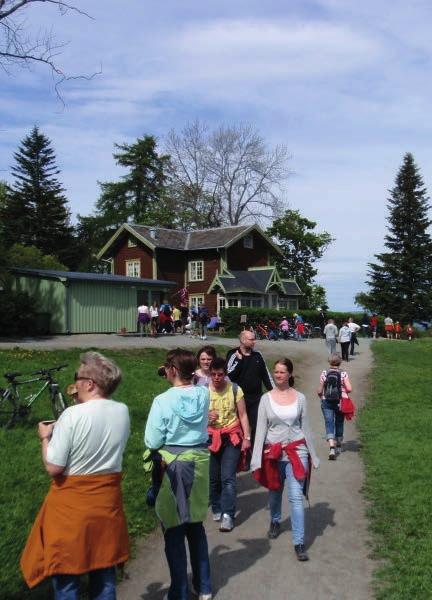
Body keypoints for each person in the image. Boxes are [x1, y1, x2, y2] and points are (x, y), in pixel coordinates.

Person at [21, 352, 130, 599]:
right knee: (104, 576)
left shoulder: (71, 415)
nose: (75, 383)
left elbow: (53, 467)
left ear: (89, 383)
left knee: (67, 576)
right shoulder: (122, 411)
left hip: (72, 509)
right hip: (106, 505)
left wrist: (45, 438)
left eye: (77, 377)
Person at [144, 349, 212, 600]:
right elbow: (198, 385)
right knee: (195, 524)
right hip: (201, 461)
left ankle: (179, 592)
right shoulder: (204, 394)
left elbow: (152, 439)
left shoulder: (163, 400)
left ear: (171, 370)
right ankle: (204, 586)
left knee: (173, 529)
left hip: (173, 464)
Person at [251, 358, 319, 561]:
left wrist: (313, 454)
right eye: (275, 372)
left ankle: (299, 542)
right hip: (273, 453)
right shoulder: (266, 399)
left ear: (290, 374)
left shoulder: (300, 398)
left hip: (297, 451)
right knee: (274, 491)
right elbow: (261, 429)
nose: (278, 375)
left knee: (296, 497)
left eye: (281, 372)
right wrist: (256, 459)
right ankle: (275, 519)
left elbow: (306, 428)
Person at [207, 357, 251, 532]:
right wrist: (205, 416)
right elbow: (194, 417)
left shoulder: (235, 390)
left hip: (231, 437)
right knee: (213, 478)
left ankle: (228, 515)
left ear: (225, 374)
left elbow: (243, 415)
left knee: (228, 478)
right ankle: (216, 506)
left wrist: (247, 438)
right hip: (210, 438)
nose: (217, 378)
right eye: (213, 374)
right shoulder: (203, 391)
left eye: (220, 374)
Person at [226, 331, 273, 447]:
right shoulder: (233, 354)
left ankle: (254, 453)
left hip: (256, 398)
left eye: (254, 339)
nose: (254, 342)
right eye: (251, 339)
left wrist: (274, 391)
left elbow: (266, 375)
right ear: (242, 340)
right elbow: (229, 375)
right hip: (238, 399)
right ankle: (240, 452)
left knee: (258, 426)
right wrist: (240, 361)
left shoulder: (258, 355)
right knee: (239, 426)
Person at [317, 353, 352, 460]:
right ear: (340, 362)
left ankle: (331, 447)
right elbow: (350, 389)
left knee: (329, 423)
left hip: (326, 401)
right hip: (340, 401)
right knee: (339, 422)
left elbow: (319, 390)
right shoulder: (343, 373)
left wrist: (321, 395)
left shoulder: (324, 373)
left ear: (329, 362)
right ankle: (339, 444)